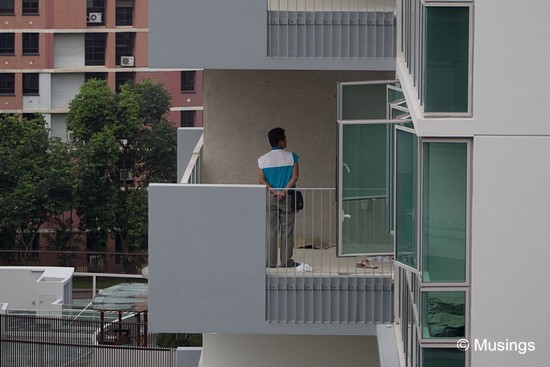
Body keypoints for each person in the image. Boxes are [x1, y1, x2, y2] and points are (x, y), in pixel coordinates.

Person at [258, 128, 300, 268]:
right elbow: (295, 177)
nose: (286, 141)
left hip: (271, 197)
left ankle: (270, 262)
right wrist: (283, 191)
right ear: (280, 141)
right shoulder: (292, 157)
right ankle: (286, 262)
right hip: (287, 197)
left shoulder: (262, 160)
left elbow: (262, 181)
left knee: (271, 230)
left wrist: (275, 191)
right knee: (287, 230)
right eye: (285, 138)